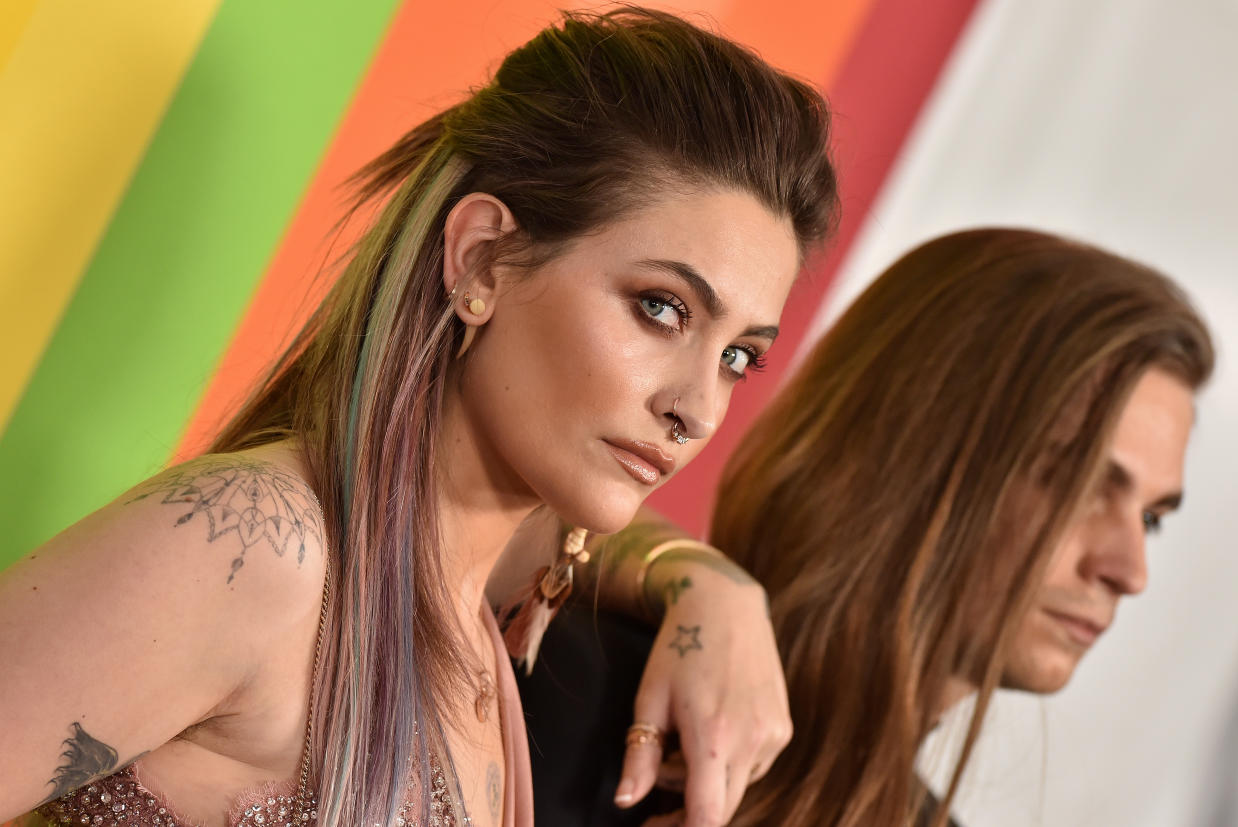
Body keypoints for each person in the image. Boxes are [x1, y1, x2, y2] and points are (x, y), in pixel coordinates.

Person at [0, 8, 838, 827]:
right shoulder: (259, 551)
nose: (694, 408)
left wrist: (710, 583)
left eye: (739, 357)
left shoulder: (482, 652)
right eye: (661, 308)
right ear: (481, 259)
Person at [512, 227, 1214, 827]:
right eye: (1086, 484)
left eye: (1151, 518)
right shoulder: (554, 679)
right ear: (915, 444)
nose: (1129, 570)